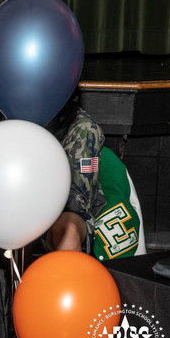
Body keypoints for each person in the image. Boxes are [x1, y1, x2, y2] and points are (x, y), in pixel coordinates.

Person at [45, 95, 106, 252]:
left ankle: (70, 276)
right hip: (17, 206)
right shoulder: (14, 116)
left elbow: (79, 201)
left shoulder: (82, 128)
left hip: (59, 211)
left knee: (69, 230)